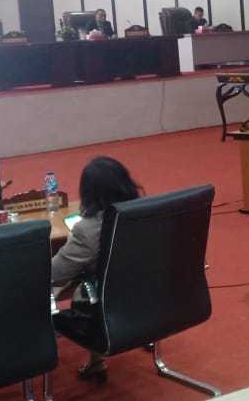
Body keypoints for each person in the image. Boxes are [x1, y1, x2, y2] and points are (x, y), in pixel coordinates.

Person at [52, 156, 141, 382]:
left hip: (104, 311)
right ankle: (95, 362)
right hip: (147, 302)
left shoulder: (87, 230)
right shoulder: (146, 213)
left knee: (56, 284)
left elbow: (55, 273)